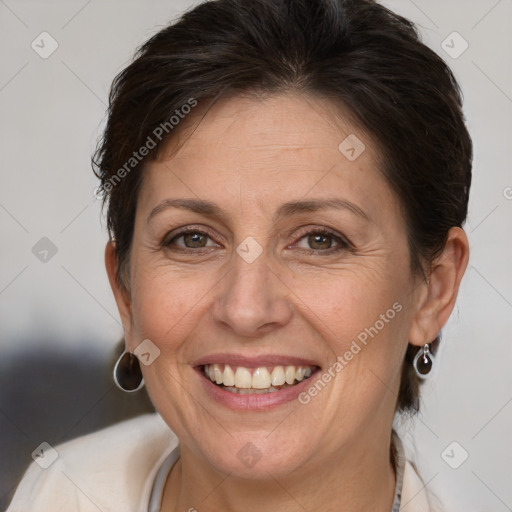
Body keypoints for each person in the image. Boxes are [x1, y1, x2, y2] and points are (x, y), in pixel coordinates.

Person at [7, 0, 472, 510]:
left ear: (434, 287)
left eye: (320, 239)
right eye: (193, 238)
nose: (246, 309)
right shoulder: (60, 492)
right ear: (126, 291)